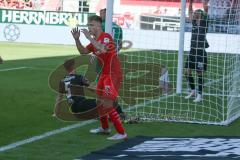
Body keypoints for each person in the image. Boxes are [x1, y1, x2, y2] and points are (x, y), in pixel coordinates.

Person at [71, 15, 127, 140]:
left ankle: (122, 133)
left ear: (97, 26)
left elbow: (102, 48)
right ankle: (105, 128)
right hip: (104, 74)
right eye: (88, 25)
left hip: (113, 74)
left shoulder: (105, 37)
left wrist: (89, 37)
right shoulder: (95, 40)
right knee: (99, 102)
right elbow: (83, 52)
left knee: (107, 103)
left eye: (90, 25)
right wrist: (77, 40)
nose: (88, 28)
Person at [185, 0, 209, 102]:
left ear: (200, 14)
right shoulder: (194, 23)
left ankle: (200, 95)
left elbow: (206, 9)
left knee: (199, 73)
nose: (193, 14)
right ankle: (193, 90)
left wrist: (204, 3)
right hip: (192, 51)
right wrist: (190, 3)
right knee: (187, 72)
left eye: (195, 13)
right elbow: (189, 12)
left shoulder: (204, 23)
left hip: (200, 52)